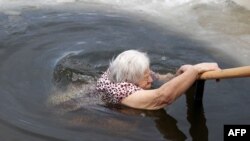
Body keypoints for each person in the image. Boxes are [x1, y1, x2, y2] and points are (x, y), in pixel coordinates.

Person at [96, 50, 220, 110]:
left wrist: (181, 73)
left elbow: (165, 79)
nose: (151, 79)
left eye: (149, 73)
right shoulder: (122, 91)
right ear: (129, 80)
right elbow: (163, 97)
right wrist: (195, 70)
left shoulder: (122, 71)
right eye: (146, 77)